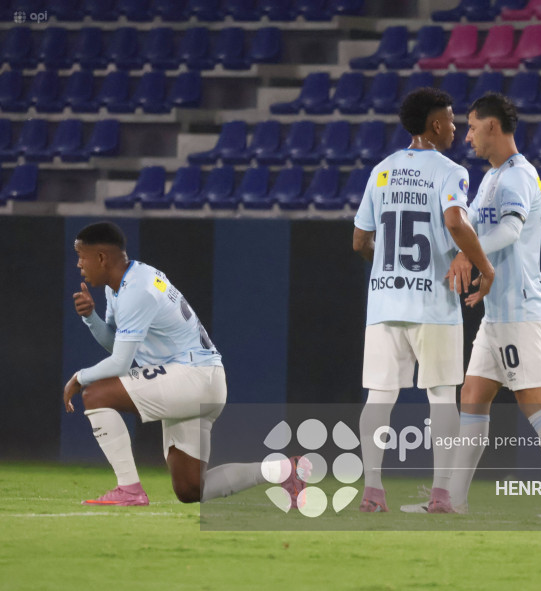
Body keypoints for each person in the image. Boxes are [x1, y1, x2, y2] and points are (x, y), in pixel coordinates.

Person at [64, 222, 307, 507]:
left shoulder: (137, 289)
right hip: (199, 378)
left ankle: (129, 489)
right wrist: (91, 318)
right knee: (192, 488)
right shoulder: (125, 284)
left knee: (95, 394)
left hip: (192, 377)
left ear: (102, 257)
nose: (79, 264)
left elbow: (120, 363)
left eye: (82, 255)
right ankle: (284, 471)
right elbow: (120, 345)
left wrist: (79, 377)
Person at [434, 93, 541, 518]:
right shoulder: (490, 178)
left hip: (519, 310)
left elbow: (508, 231)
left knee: (535, 400)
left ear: (491, 125)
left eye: (470, 126)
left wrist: (471, 255)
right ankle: (455, 501)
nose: (466, 136)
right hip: (497, 313)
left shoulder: (519, 176)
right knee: (472, 395)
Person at [353, 88, 495, 513]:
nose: (455, 128)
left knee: (379, 397)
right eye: (451, 121)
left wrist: (388, 269)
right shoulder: (450, 171)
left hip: (383, 304)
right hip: (433, 304)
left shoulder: (381, 170)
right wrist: (481, 265)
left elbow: (360, 239)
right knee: (441, 398)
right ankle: (441, 495)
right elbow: (455, 221)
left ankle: (373, 492)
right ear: (435, 125)